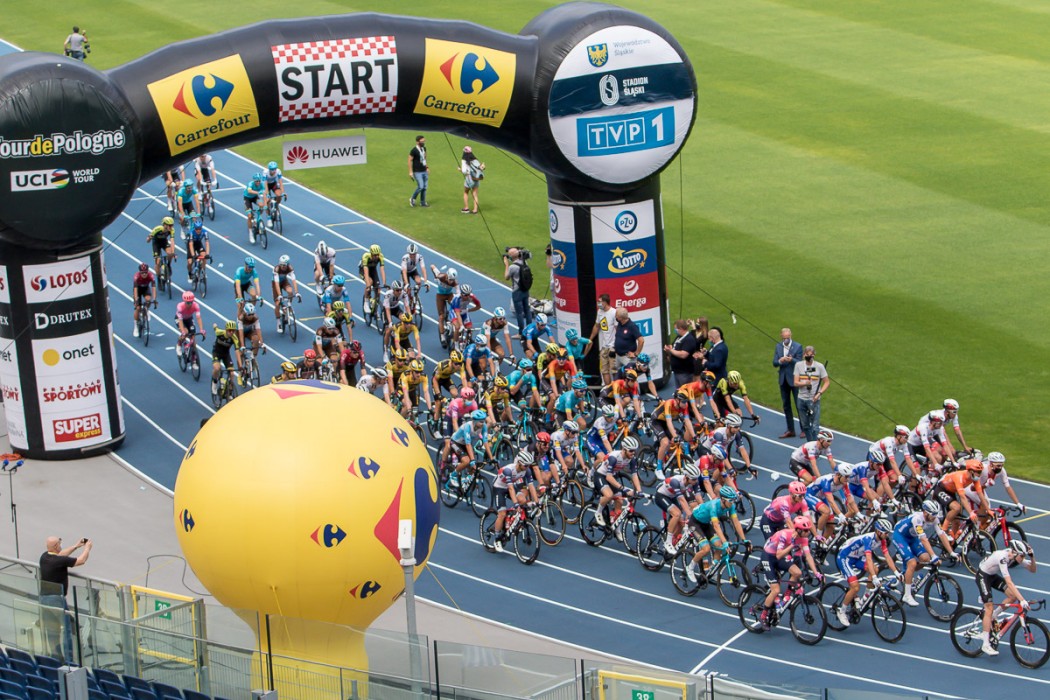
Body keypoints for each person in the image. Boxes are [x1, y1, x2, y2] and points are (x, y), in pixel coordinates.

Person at [834, 519, 902, 628]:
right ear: (878, 531)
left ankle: (865, 598)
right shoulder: (868, 539)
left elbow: (888, 557)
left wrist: (896, 573)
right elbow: (869, 559)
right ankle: (842, 611)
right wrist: (874, 578)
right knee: (855, 587)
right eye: (886, 533)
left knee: (875, 569)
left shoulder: (882, 540)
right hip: (845, 557)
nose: (887, 535)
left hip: (857, 557)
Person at [759, 517, 822, 628]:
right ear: (798, 530)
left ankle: (786, 596)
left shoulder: (804, 539)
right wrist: (792, 545)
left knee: (797, 572)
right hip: (768, 557)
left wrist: (816, 573)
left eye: (808, 530)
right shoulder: (784, 534)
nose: (808, 533)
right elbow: (778, 555)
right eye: (806, 530)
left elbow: (808, 556)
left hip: (780, 557)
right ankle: (763, 615)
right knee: (776, 590)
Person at [976, 540, 1037, 656]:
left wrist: (1032, 557)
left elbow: (1033, 569)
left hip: (992, 575)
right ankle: (985, 644)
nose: (1023, 558)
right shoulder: (1003, 557)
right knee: (989, 608)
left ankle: (993, 616)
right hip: (983, 576)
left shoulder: (1015, 555)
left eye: (1024, 556)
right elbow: (1009, 582)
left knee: (1012, 596)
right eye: (1022, 556)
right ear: (1015, 552)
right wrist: (1022, 600)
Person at [893, 501, 957, 607]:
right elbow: (923, 539)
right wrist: (934, 555)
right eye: (933, 515)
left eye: (936, 514)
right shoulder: (917, 519)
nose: (934, 517)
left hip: (912, 538)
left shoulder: (934, 519)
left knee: (925, 558)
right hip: (900, 537)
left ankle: (907, 575)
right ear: (925, 513)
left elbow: (941, 534)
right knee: (912, 563)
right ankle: (907, 595)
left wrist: (951, 552)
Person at [39, 535, 92, 661]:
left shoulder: (44, 557)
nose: (61, 544)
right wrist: (87, 548)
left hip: (44, 598)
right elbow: (81, 561)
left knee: (52, 629)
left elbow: (61, 555)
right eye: (59, 542)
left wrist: (76, 546)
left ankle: (55, 656)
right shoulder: (58, 561)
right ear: (56, 546)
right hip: (56, 599)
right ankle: (69, 659)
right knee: (68, 628)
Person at [684, 486, 748, 584]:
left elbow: (736, 522)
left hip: (705, 524)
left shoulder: (731, 506)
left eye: (733, 500)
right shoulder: (713, 506)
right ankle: (690, 567)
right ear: (723, 499)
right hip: (695, 523)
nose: (732, 503)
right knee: (706, 549)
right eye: (730, 500)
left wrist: (744, 539)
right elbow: (716, 526)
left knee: (719, 546)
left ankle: (712, 571)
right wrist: (725, 542)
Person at [488, 450, 540, 553]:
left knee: (523, 500)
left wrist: (537, 502)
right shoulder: (509, 470)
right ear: (519, 462)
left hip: (510, 486)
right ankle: (497, 539)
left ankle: (511, 518)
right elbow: (511, 489)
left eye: (529, 465)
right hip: (499, 488)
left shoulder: (526, 470)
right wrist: (515, 504)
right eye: (526, 465)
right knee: (502, 514)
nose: (527, 468)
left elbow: (531, 487)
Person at [793, 345, 829, 442]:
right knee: (805, 425)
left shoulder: (819, 367)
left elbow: (826, 382)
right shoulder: (798, 365)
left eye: (811, 355)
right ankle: (810, 444)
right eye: (807, 355)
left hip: (814, 399)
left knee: (815, 426)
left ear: (814, 355)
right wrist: (805, 383)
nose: (809, 357)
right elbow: (795, 382)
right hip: (801, 399)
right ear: (804, 355)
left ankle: (815, 445)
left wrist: (819, 393)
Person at [773, 328, 803, 438]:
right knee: (786, 405)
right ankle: (790, 429)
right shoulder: (778, 346)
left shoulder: (798, 346)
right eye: (784, 338)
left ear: (791, 336)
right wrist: (780, 360)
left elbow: (800, 363)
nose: (786, 339)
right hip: (783, 379)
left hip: (794, 379)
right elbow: (774, 363)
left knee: (799, 405)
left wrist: (791, 360)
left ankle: (804, 429)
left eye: (788, 337)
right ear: (781, 336)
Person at [589, 294, 618, 385]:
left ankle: (616, 389)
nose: (598, 303)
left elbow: (617, 329)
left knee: (614, 370)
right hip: (604, 346)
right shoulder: (600, 312)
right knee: (604, 370)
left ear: (605, 302)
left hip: (613, 346)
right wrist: (590, 339)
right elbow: (597, 326)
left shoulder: (614, 312)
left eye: (600, 301)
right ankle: (608, 388)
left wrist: (616, 346)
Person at [503, 247, 533, 332]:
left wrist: (506, 264)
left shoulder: (512, 267)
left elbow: (506, 277)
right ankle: (529, 329)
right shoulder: (524, 262)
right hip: (525, 290)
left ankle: (521, 332)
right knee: (527, 310)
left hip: (517, 292)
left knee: (519, 312)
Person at [211, 321, 244, 394]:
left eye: (233, 331)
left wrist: (240, 366)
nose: (231, 332)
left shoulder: (235, 338)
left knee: (232, 374)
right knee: (217, 368)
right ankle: (214, 382)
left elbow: (237, 352)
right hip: (217, 353)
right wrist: (215, 325)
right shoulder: (220, 333)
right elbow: (216, 329)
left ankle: (230, 392)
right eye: (229, 330)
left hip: (226, 355)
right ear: (226, 330)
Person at [665, 319, 699, 387]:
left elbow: (683, 354)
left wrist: (670, 350)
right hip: (677, 371)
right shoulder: (679, 337)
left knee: (685, 391)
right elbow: (674, 346)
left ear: (681, 329)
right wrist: (669, 348)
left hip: (685, 373)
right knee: (679, 391)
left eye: (676, 329)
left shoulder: (689, 339)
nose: (675, 330)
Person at [272, 255, 300, 334]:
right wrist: (279, 295)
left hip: (284, 281)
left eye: (284, 265)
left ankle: (289, 306)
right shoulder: (276, 269)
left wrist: (297, 292)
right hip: (275, 284)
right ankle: (278, 323)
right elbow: (277, 283)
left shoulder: (290, 268)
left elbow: (294, 280)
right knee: (277, 304)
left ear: (287, 264)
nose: (282, 266)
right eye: (281, 264)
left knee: (290, 291)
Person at [431, 266, 459, 344]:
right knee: (441, 317)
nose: (451, 282)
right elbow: (432, 266)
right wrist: (435, 275)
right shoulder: (441, 276)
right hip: (440, 296)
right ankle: (442, 335)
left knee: (456, 307)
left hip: (449, 295)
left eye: (453, 280)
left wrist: (457, 300)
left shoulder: (455, 282)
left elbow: (458, 292)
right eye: (450, 280)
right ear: (447, 276)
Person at [175, 291, 203, 358]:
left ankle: (194, 358)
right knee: (186, 332)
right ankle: (179, 344)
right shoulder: (180, 307)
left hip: (189, 318)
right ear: (184, 301)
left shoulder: (196, 305)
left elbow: (198, 318)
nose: (190, 304)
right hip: (180, 319)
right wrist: (183, 331)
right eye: (188, 303)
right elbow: (180, 320)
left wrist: (202, 329)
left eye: (191, 302)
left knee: (193, 337)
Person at [147, 216, 177, 281]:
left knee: (170, 253)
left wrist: (173, 252)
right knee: (158, 262)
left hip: (164, 242)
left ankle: (168, 265)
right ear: (165, 225)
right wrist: (149, 238)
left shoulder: (172, 230)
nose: (171, 227)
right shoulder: (157, 229)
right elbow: (147, 240)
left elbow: (172, 241)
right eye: (170, 225)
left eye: (172, 225)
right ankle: (158, 277)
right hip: (156, 244)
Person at [242, 172, 268, 243]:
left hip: (254, 197)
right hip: (247, 198)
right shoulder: (250, 184)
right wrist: (258, 192)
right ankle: (250, 233)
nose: (258, 182)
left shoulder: (261, 184)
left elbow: (264, 194)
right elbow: (249, 191)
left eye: (259, 181)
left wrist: (265, 205)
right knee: (249, 216)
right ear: (254, 181)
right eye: (257, 181)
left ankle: (259, 217)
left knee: (261, 205)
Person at [131, 263, 155, 337]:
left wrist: (154, 299)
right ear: (140, 272)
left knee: (148, 299)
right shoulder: (136, 277)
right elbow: (135, 290)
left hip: (145, 289)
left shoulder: (151, 276)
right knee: (138, 308)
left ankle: (146, 310)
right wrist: (136, 300)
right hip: (138, 290)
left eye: (145, 272)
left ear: (148, 272)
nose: (144, 274)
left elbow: (153, 288)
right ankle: (135, 326)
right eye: (142, 273)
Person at [185, 215, 210, 284]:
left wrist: (207, 254)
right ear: (195, 228)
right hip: (191, 244)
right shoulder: (191, 233)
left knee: (204, 256)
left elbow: (207, 243)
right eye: (197, 229)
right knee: (190, 262)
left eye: (199, 229)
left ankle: (203, 271)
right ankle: (189, 274)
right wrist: (193, 255)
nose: (198, 230)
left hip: (198, 243)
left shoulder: (205, 232)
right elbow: (190, 245)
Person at [459, 146, 484, 213]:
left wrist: (460, 170)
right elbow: (480, 168)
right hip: (476, 179)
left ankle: (466, 208)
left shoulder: (464, 160)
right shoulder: (475, 160)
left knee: (466, 192)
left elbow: (464, 171)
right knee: (475, 195)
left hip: (469, 179)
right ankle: (475, 210)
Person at [408, 135, 429, 207]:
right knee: (421, 186)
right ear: (417, 142)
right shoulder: (414, 150)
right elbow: (409, 160)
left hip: (424, 170)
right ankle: (412, 198)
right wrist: (410, 172)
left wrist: (427, 167)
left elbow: (424, 159)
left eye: (424, 141)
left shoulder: (424, 149)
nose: (423, 143)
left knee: (425, 187)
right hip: (417, 171)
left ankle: (422, 202)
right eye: (422, 141)